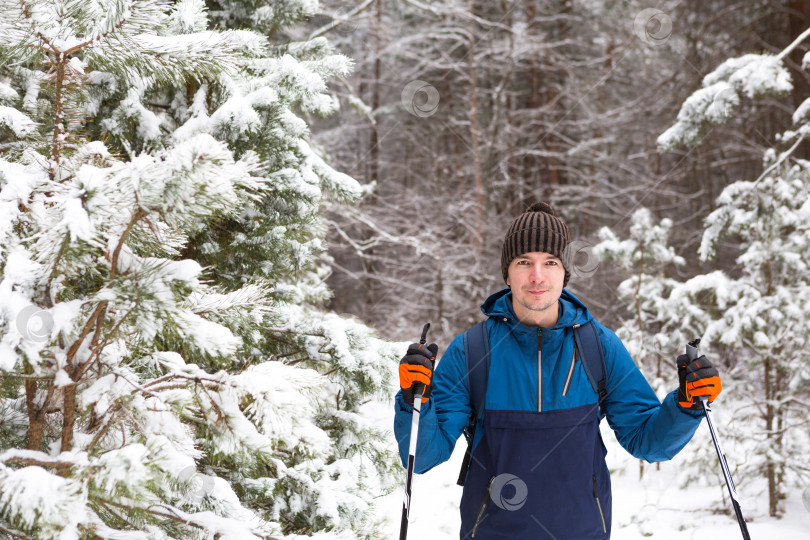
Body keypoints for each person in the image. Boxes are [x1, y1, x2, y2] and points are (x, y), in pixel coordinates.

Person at [394, 202, 722, 539]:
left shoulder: (599, 346)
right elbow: (424, 456)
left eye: (550, 262)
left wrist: (686, 404)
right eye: (524, 262)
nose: (537, 276)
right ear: (507, 274)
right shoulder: (471, 351)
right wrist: (415, 401)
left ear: (565, 271)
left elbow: (648, 442)